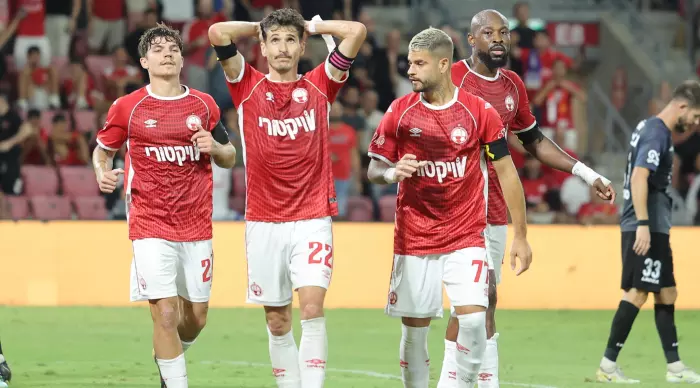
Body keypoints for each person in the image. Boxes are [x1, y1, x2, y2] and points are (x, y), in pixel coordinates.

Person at [439, 10, 615, 387]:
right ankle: (454, 380)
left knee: (486, 300)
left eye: (503, 32)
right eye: (488, 32)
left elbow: (534, 142)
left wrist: (587, 173)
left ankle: (476, 380)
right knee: (475, 297)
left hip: (495, 208)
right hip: (455, 207)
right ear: (472, 40)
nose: (498, 38)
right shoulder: (451, 78)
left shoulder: (513, 85)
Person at [208, 9, 366, 388]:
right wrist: (260, 27)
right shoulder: (246, 86)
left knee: (312, 308)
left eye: (291, 40)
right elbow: (217, 32)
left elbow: (356, 31)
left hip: (312, 216)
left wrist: (314, 26)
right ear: (262, 47)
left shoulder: (320, 85)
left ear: (301, 46)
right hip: (263, 220)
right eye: (274, 40)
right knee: (277, 320)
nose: (282, 47)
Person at [367, 27, 532, 388]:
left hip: (466, 235)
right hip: (414, 236)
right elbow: (374, 167)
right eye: (409, 63)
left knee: (474, 321)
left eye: (419, 64)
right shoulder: (399, 111)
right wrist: (393, 171)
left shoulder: (478, 112)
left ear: (444, 65)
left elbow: (507, 174)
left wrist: (520, 235)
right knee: (414, 334)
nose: (410, 70)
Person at [93, 23, 236, 388]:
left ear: (182, 57)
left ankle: (167, 361)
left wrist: (215, 148)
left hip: (196, 224)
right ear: (144, 61)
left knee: (196, 318)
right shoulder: (129, 106)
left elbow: (230, 155)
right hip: (149, 222)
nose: (167, 52)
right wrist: (102, 172)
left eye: (172, 47)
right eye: (157, 48)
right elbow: (103, 150)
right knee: (166, 314)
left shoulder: (204, 104)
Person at [595, 80, 700, 384]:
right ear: (682, 106)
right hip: (645, 225)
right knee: (639, 291)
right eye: (694, 116)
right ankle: (608, 366)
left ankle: (675, 368)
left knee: (667, 291)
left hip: (654, 225)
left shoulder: (649, 127)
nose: (694, 124)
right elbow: (640, 177)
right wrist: (642, 223)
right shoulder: (657, 132)